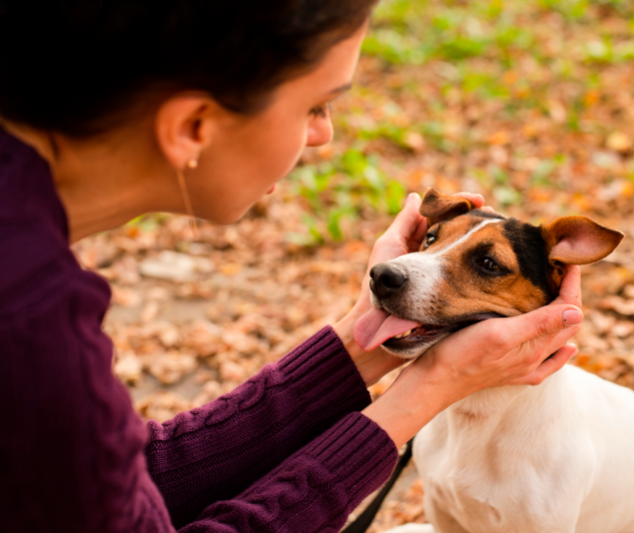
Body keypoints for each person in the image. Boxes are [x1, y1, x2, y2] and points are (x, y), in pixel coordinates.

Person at [0, 2, 584, 531]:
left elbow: (122, 485)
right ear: (192, 127)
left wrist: (362, 343)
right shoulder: (32, 332)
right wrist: (422, 397)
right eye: (315, 105)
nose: (324, 136)